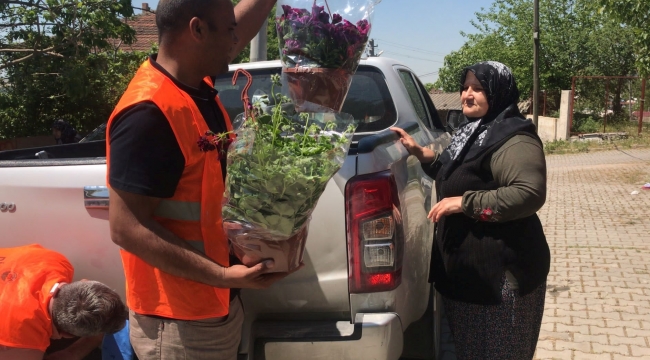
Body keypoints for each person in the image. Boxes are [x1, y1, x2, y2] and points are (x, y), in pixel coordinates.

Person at [106, 0, 300, 358]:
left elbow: (236, 27)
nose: (235, 38)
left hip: (212, 307)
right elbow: (125, 227)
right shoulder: (149, 113)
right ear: (197, 30)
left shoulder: (194, 86)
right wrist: (223, 277)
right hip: (178, 322)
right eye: (227, 31)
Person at [391, 61, 550, 359]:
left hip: (500, 280)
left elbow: (528, 194)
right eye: (465, 87)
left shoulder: (514, 138)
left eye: (478, 88)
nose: (467, 94)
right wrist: (421, 153)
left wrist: (465, 203)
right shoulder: (474, 131)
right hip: (469, 278)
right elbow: (456, 171)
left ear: (497, 92)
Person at [0, 244, 128, 360]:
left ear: (84, 281)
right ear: (66, 335)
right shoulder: (20, 342)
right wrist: (74, 353)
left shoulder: (55, 260)